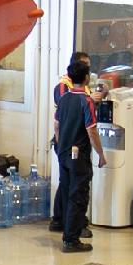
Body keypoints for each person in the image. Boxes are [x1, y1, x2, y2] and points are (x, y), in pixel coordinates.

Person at [51, 53, 103, 252]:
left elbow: (56, 125)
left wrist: (60, 144)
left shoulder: (64, 99)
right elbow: (91, 130)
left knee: (66, 189)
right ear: (87, 78)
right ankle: (72, 239)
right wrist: (101, 154)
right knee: (78, 195)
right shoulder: (86, 101)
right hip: (78, 155)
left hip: (63, 152)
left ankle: (65, 229)